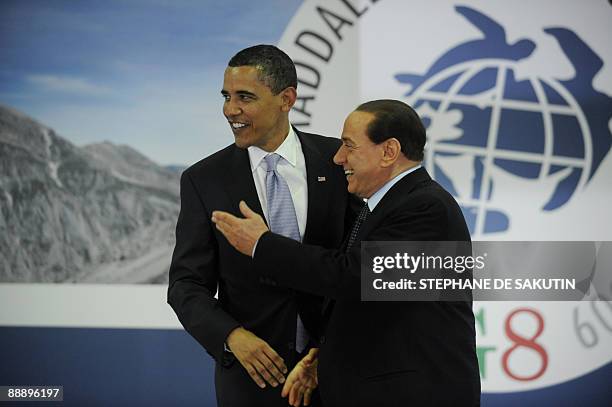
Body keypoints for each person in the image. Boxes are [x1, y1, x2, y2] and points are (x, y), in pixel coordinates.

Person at [212, 99, 481, 406]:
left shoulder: (425, 208)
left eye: (349, 146)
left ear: (389, 152)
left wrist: (262, 244)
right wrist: (327, 358)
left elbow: (353, 277)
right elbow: (374, 305)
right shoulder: (385, 208)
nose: (339, 158)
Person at [168, 45, 355, 407]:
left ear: (286, 99)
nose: (230, 109)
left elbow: (355, 266)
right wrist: (232, 336)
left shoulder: (338, 162)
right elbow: (186, 285)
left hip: (335, 374)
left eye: (245, 97)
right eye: (226, 96)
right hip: (251, 381)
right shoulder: (203, 179)